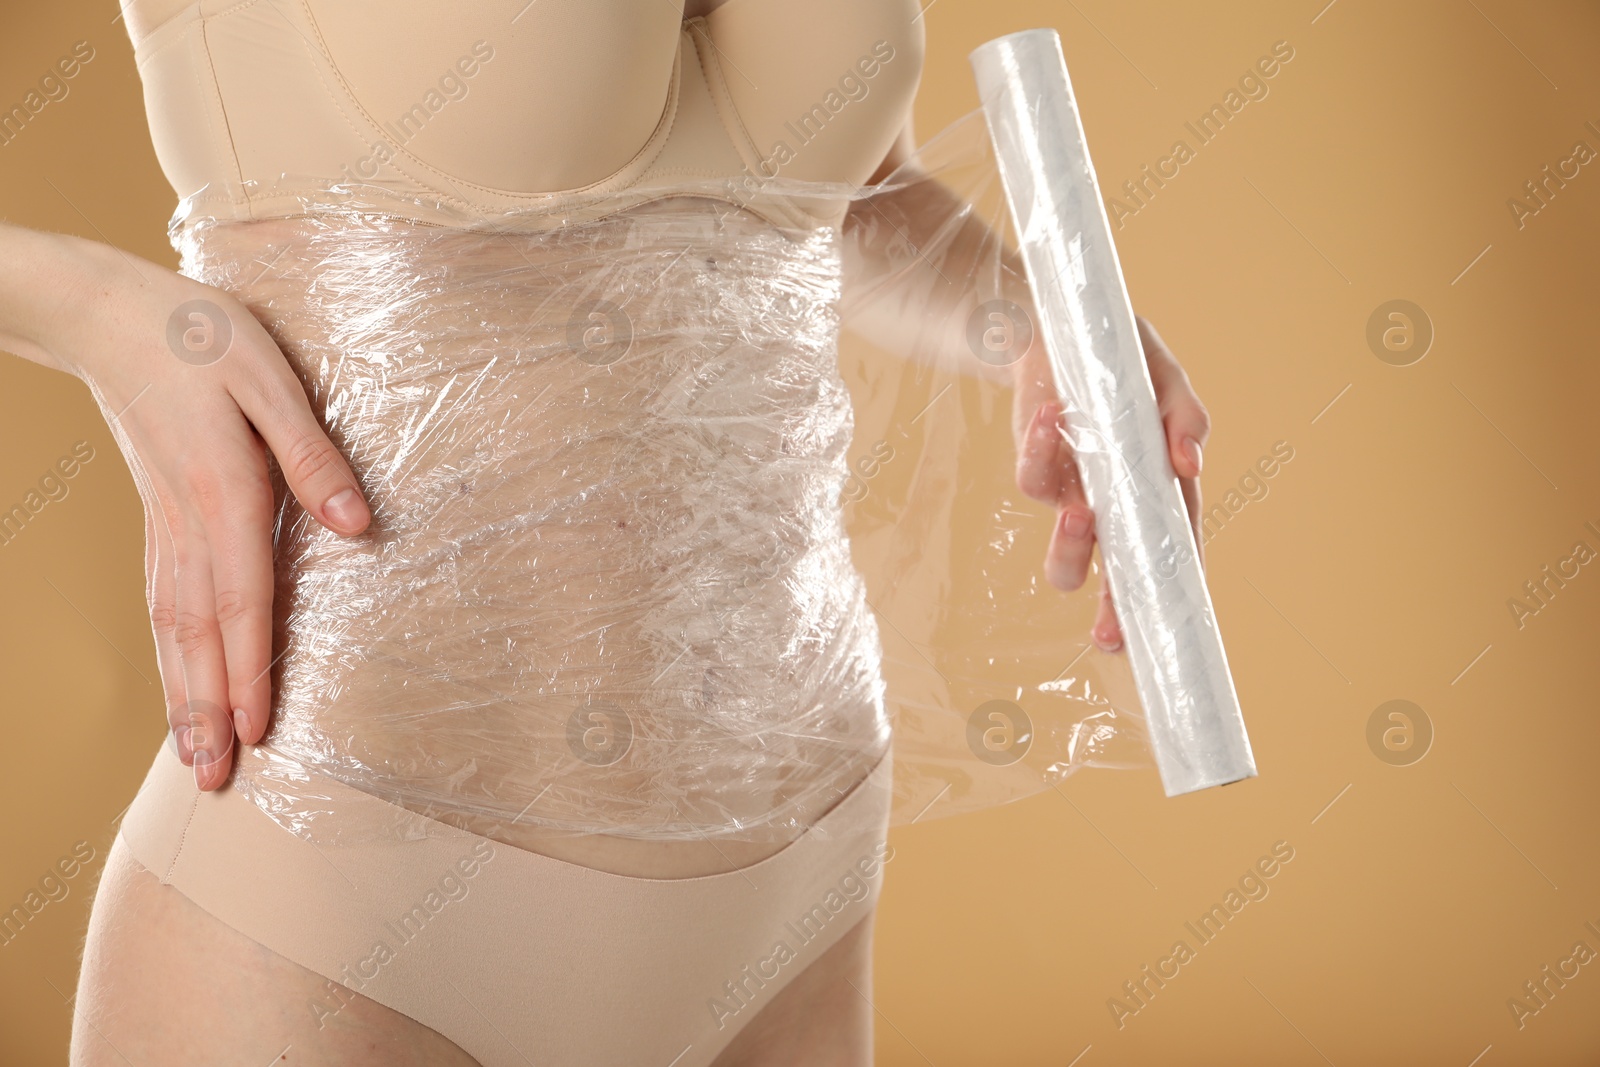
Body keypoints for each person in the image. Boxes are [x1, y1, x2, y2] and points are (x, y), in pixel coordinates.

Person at [0, 0, 1210, 1063]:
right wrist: (99, 313)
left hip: (794, 895)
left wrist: (1036, 319)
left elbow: (823, 198)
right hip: (345, 906)